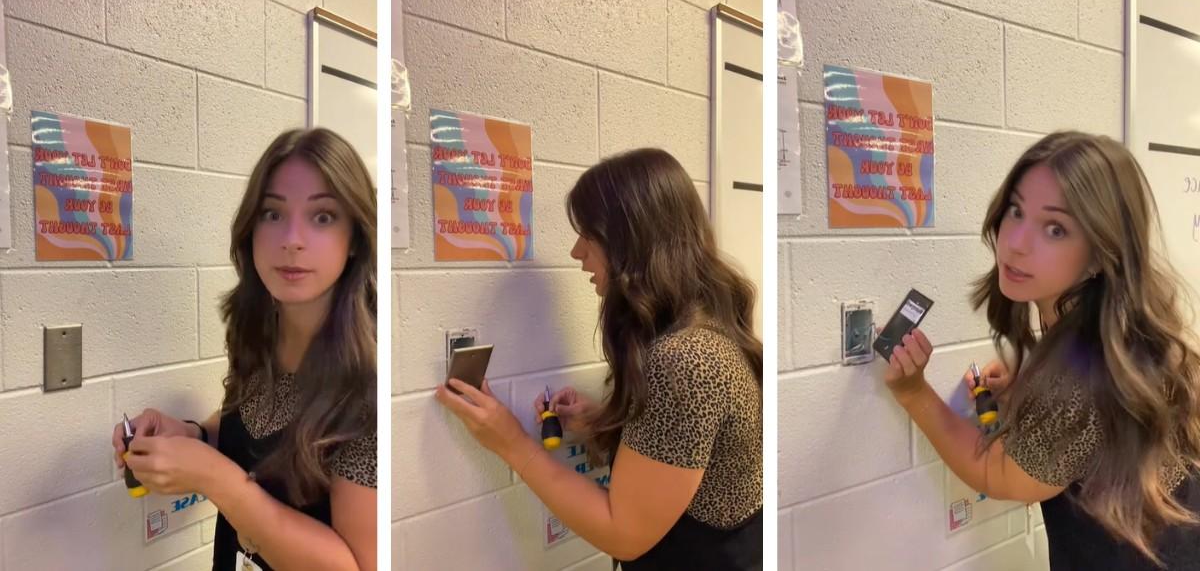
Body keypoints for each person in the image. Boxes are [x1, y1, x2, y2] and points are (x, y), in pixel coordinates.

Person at [884, 131, 1200, 569]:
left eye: (1055, 228)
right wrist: (1029, 383)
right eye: (1016, 210)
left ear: (1100, 253)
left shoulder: (1079, 376)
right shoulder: (1116, 333)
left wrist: (913, 393)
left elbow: (1001, 475)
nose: (1016, 242)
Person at [437, 148, 764, 569]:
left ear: (631, 240)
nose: (576, 252)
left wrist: (511, 443)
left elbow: (623, 534)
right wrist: (608, 423)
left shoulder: (686, 359)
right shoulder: (703, 332)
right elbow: (689, 455)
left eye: (588, 234)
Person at [111, 128, 378, 570]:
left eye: (323, 217)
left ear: (354, 240)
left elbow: (356, 565)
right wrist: (194, 435)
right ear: (250, 230)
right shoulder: (256, 333)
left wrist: (217, 480)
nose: (291, 238)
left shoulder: (366, 384)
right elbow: (256, 427)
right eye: (272, 214)